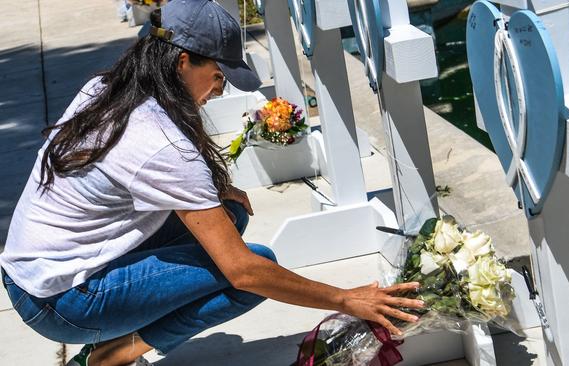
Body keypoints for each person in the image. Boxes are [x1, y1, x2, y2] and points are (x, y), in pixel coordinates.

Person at [0, 1, 423, 365]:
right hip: (63, 302)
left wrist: (215, 192)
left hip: (32, 273)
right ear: (183, 61)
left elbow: (119, 173)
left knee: (230, 214)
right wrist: (347, 299)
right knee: (256, 270)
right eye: (219, 75)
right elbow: (244, 272)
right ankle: (111, 354)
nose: (219, 90)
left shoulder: (108, 87)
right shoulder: (158, 142)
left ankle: (116, 340)